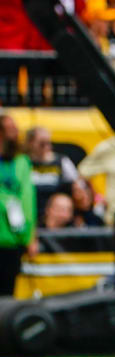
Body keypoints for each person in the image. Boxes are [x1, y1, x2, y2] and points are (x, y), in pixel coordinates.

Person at [0, 113, 36, 297]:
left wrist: (30, 237)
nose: (16, 133)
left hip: (12, 242)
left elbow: (28, 201)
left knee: (7, 295)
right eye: (11, 129)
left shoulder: (21, 162)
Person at [24, 127, 83, 223]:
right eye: (42, 143)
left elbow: (77, 187)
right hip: (30, 215)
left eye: (49, 143)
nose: (47, 147)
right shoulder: (23, 163)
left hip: (57, 217)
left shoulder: (61, 161)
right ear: (30, 143)